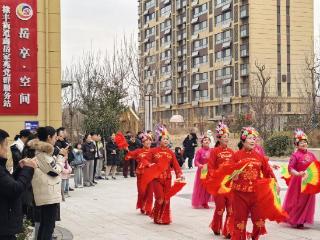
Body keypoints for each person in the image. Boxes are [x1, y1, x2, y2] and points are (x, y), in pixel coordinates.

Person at [231, 127, 278, 240]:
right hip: (240, 194)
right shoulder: (236, 156)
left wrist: (275, 183)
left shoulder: (259, 157)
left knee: (259, 220)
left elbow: (267, 171)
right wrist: (233, 176)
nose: (253, 141)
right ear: (243, 140)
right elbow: (227, 172)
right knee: (240, 221)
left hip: (256, 194)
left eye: (254, 138)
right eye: (250, 138)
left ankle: (255, 237)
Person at [29, 126, 65, 240]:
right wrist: (61, 157)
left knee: (45, 225)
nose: (56, 140)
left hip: (47, 193)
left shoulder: (43, 152)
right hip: (48, 194)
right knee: (48, 226)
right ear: (49, 138)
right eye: (54, 137)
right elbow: (56, 171)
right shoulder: (42, 154)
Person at [0, 129, 36, 240]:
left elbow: (7, 184)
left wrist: (20, 169)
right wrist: (28, 169)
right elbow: (15, 189)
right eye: (5, 145)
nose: (7, 148)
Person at [282, 129, 317, 229]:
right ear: (297, 145)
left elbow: (315, 166)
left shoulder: (311, 155)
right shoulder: (295, 155)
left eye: (305, 142)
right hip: (298, 181)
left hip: (309, 181)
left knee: (308, 201)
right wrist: (298, 174)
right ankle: (297, 220)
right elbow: (290, 168)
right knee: (299, 201)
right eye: (301, 142)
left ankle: (303, 219)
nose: (304, 144)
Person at [207, 122, 234, 237]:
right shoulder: (214, 152)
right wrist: (216, 176)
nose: (226, 139)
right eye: (224, 137)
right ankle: (216, 226)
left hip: (230, 184)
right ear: (219, 138)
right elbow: (211, 167)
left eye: (227, 136)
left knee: (230, 209)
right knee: (220, 208)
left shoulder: (232, 152)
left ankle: (228, 230)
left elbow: (235, 166)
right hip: (219, 185)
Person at [149, 134, 183, 224]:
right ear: (160, 140)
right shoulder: (153, 151)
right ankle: (156, 217)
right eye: (164, 139)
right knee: (160, 198)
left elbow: (176, 165)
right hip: (156, 178)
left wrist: (179, 175)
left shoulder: (170, 152)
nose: (166, 140)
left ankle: (164, 218)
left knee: (167, 199)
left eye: (167, 139)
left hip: (167, 178)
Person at [125, 134, 153, 215]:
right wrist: (127, 150)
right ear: (143, 143)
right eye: (146, 140)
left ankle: (148, 208)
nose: (148, 141)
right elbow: (129, 155)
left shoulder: (154, 151)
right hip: (141, 175)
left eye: (149, 140)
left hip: (151, 174)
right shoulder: (138, 151)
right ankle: (142, 205)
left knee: (150, 192)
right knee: (142, 192)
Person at [191, 136, 211, 209]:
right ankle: (202, 201)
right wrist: (200, 165)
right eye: (205, 140)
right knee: (202, 187)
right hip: (203, 170)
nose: (206, 141)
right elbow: (196, 161)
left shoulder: (212, 151)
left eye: (208, 140)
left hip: (210, 170)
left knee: (208, 187)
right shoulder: (199, 151)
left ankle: (205, 201)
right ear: (202, 142)